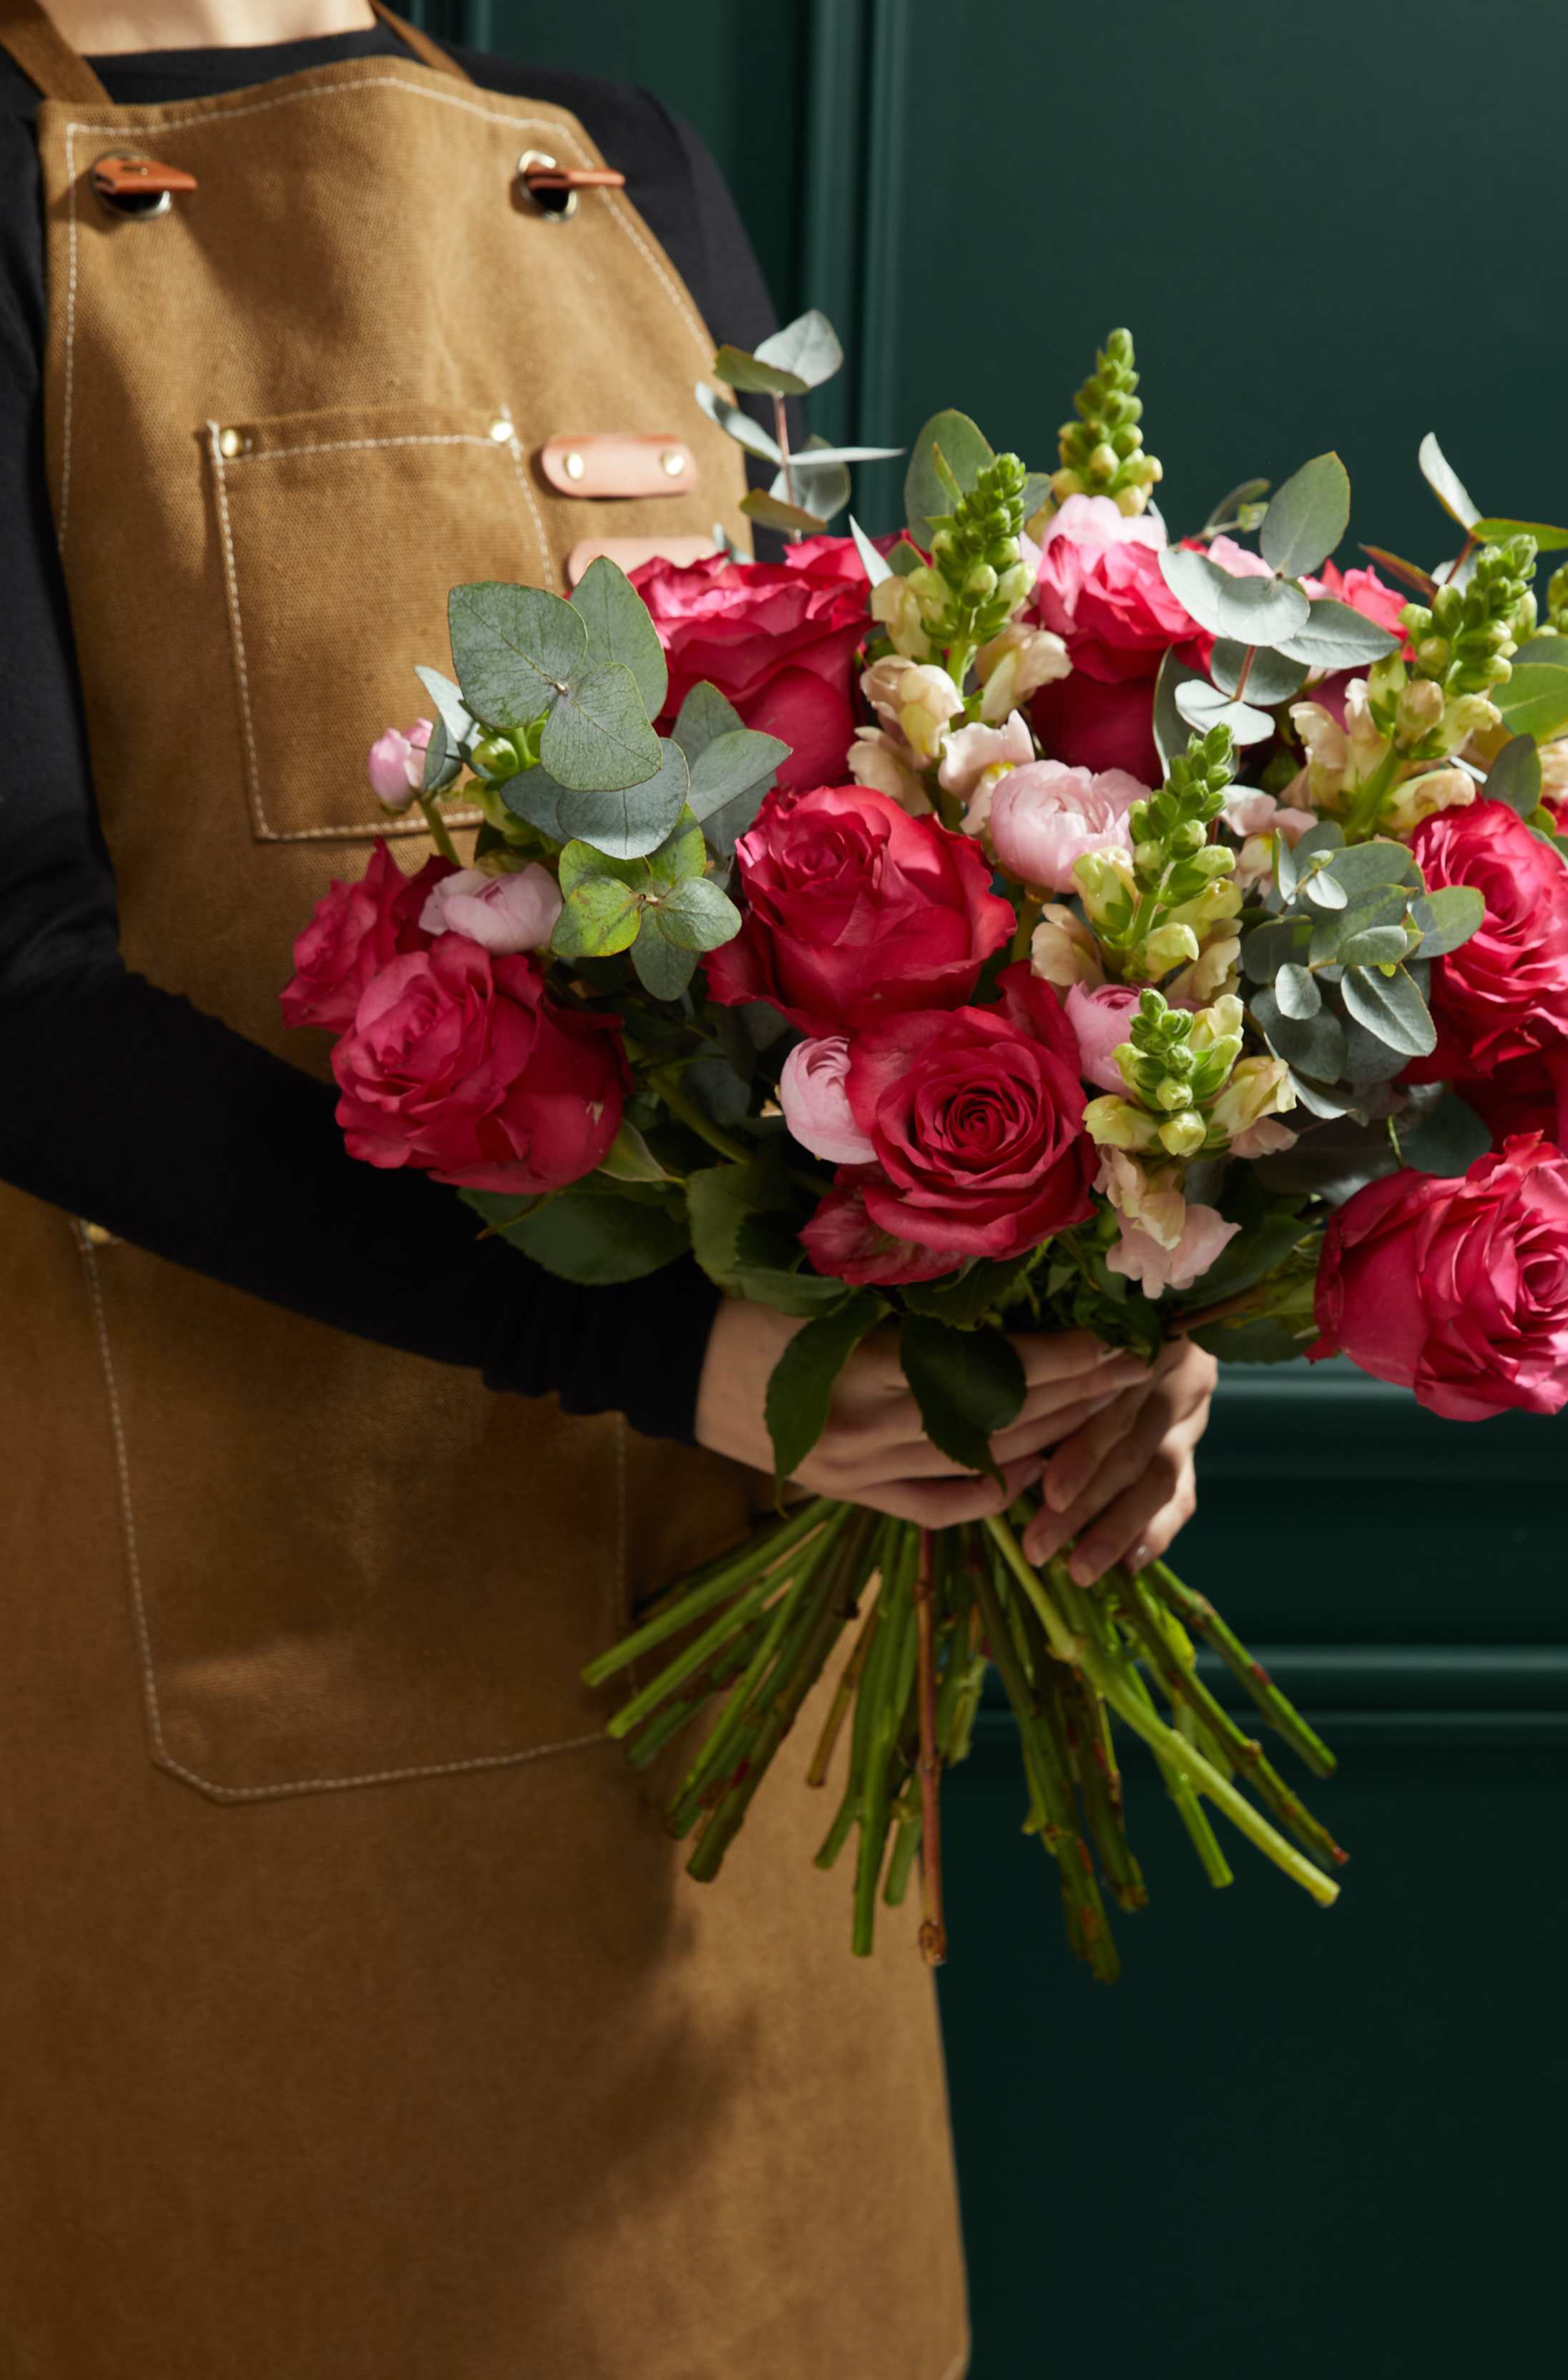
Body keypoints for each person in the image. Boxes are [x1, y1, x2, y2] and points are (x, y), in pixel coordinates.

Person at [0, 4, 1217, 2371]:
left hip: (730, 1717)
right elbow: (11, 979)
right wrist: (659, 1347)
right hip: (233, 1686)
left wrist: (1078, 1314)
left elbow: (860, 847)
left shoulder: (626, 163)